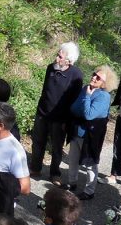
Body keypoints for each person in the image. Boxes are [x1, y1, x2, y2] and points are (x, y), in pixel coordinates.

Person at [29, 42, 84, 186]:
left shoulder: (76, 75)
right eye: (57, 55)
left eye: (60, 56)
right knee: (37, 142)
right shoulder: (50, 68)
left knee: (56, 147)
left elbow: (75, 100)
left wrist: (68, 121)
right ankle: (35, 168)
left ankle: (54, 173)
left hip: (60, 119)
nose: (56, 58)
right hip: (42, 113)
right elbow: (45, 90)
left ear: (69, 60)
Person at [66, 64, 119, 200]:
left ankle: (89, 191)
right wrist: (86, 101)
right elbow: (74, 108)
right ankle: (72, 183)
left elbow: (89, 115)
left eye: (98, 77)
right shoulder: (86, 88)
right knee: (72, 159)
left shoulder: (104, 96)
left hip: (91, 135)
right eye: (94, 74)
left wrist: (87, 98)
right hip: (77, 131)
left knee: (90, 163)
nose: (94, 77)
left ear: (104, 83)